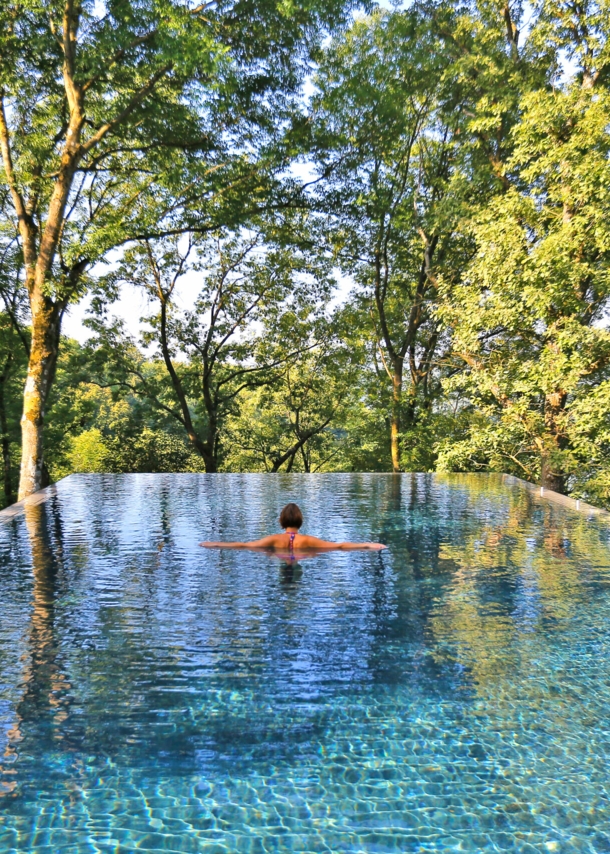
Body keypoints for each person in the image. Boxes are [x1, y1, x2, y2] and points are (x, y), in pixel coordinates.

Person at [199, 502, 387, 552]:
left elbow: (243, 545)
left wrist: (213, 544)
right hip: (302, 553)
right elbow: (340, 546)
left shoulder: (273, 539)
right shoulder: (308, 540)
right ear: (300, 521)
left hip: (279, 553)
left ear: (281, 521)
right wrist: (368, 545)